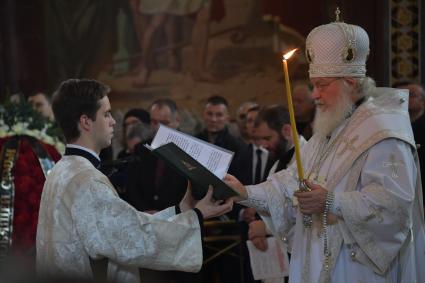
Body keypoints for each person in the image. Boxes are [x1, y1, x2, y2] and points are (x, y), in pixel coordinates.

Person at [224, 17, 425, 282]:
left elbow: (394, 205)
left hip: (356, 268)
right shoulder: (330, 128)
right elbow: (290, 183)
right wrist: (244, 192)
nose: (314, 95)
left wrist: (331, 201)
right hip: (315, 257)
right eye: (313, 85)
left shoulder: (384, 132)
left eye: (322, 85)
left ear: (349, 84)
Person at [36, 78, 233, 283]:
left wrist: (182, 209)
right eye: (106, 113)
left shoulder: (61, 170)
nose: (113, 121)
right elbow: (134, 238)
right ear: (86, 122)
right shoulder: (86, 181)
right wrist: (197, 215)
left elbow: (125, 226)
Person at [394, 81, 425, 208]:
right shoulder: (394, 124)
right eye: (402, 94)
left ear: (423, 101)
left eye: (411, 95)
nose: (405, 98)